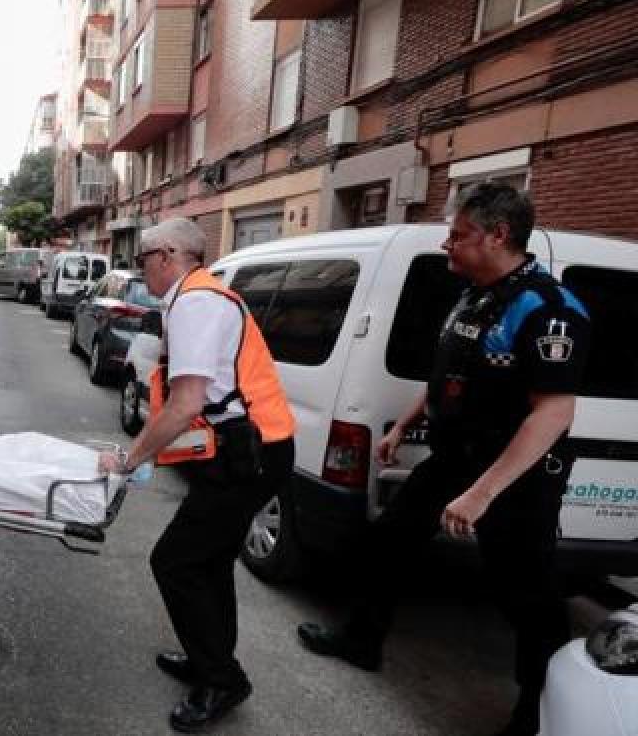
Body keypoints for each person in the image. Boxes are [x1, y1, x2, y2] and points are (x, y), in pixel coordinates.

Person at [294, 183, 591, 736]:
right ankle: (362, 640)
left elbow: (553, 412)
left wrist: (482, 494)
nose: (446, 244)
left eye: (458, 234)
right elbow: (448, 376)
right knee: (388, 541)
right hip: (454, 457)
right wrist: (404, 426)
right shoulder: (473, 296)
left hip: (517, 477)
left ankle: (535, 714)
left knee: (528, 595)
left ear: (498, 235)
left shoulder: (549, 309)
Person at [99, 217, 295, 733]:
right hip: (245, 450)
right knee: (209, 563)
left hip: (249, 453)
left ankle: (222, 680)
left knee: (175, 562)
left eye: (142, 258)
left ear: (166, 255)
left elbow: (185, 404)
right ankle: (209, 658)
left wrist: (130, 459)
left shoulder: (197, 302)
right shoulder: (194, 298)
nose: (140, 268)